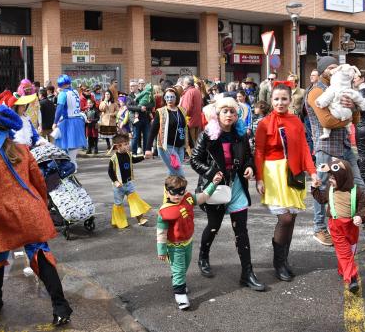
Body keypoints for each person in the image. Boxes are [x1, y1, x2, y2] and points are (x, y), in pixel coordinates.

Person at [0, 106, 73, 326]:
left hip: (1, 216)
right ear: (9, 132)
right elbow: (39, 182)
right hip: (31, 211)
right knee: (41, 254)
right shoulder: (24, 150)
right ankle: (60, 307)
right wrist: (41, 205)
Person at [307, 56, 365, 245]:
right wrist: (348, 118)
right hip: (326, 148)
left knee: (359, 186)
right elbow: (326, 121)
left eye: (335, 67)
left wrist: (353, 108)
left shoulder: (343, 87)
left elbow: (356, 120)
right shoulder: (317, 92)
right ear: (322, 70)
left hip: (345, 147)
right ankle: (319, 228)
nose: (333, 70)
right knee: (322, 188)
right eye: (330, 67)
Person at [190, 96, 265, 291]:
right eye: (225, 111)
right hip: (216, 188)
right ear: (218, 113)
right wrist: (211, 172)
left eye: (232, 111)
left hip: (238, 186)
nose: (229, 115)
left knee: (241, 230)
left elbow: (248, 156)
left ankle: (247, 273)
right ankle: (203, 256)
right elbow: (194, 160)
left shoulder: (241, 134)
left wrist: (249, 168)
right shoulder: (208, 134)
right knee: (213, 225)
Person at [254, 83, 318, 281]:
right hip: (273, 174)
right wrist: (259, 178)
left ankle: (284, 261)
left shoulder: (296, 121)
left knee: (292, 218)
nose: (280, 102)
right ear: (270, 101)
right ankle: (278, 263)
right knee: (285, 219)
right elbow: (259, 152)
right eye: (276, 99)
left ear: (290, 100)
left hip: (294, 171)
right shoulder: (264, 123)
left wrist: (313, 172)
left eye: (284, 99)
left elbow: (304, 149)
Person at [157, 173, 223, 310]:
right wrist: (162, 250)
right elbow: (161, 233)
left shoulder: (187, 198)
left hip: (188, 242)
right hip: (175, 246)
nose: (177, 196)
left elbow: (203, 197)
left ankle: (177, 280)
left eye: (180, 193)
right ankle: (180, 295)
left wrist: (214, 183)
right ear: (167, 191)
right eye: (173, 193)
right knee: (180, 270)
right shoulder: (165, 211)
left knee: (184, 267)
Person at [312, 159, 365, 294]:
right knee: (345, 252)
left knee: (350, 251)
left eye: (333, 177)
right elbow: (321, 199)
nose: (330, 180)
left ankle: (342, 269)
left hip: (351, 227)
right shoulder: (330, 189)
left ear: (343, 176)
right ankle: (352, 279)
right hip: (336, 226)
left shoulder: (357, 191)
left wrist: (360, 216)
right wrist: (314, 188)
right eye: (330, 176)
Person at [108, 134, 151, 228]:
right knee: (118, 204)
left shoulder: (128, 154)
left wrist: (144, 157)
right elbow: (110, 172)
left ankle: (141, 219)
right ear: (118, 146)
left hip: (128, 183)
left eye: (128, 143)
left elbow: (134, 160)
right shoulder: (113, 158)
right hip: (118, 186)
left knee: (134, 200)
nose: (128, 145)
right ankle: (119, 221)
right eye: (126, 144)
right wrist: (115, 181)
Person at [145, 88, 189, 176]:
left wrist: (190, 146)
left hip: (180, 147)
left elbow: (185, 128)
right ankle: (182, 189)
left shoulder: (182, 111)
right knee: (179, 173)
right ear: (164, 98)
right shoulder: (161, 112)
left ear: (176, 98)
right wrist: (148, 149)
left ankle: (169, 189)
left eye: (172, 97)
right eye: (167, 97)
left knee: (173, 173)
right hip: (167, 147)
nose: (169, 99)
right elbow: (153, 131)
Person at [53, 75, 87, 168]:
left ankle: (68, 164)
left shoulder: (63, 94)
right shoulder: (75, 92)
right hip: (77, 120)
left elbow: (59, 109)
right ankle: (73, 162)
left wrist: (55, 122)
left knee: (62, 142)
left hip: (68, 121)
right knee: (73, 143)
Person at [127, 80, 153, 155]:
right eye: (130, 86)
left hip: (145, 118)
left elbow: (151, 104)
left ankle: (146, 153)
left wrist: (145, 107)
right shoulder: (129, 96)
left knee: (146, 137)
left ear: (137, 86)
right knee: (135, 137)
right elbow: (129, 107)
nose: (131, 87)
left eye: (132, 86)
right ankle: (134, 153)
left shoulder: (144, 93)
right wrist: (140, 108)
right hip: (135, 120)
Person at [180, 75, 203, 147]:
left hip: (190, 120)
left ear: (188, 84)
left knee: (192, 142)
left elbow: (187, 108)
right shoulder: (197, 91)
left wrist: (183, 117)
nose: (182, 84)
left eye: (183, 83)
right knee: (196, 141)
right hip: (197, 119)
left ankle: (193, 156)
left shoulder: (189, 92)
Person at [80, 85, 100, 154]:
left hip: (94, 125)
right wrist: (86, 120)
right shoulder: (82, 100)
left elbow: (98, 118)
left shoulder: (95, 109)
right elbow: (82, 110)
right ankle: (89, 148)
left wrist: (93, 120)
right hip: (88, 125)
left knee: (95, 137)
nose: (89, 92)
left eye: (89, 90)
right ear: (84, 91)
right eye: (87, 91)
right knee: (89, 136)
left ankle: (95, 148)